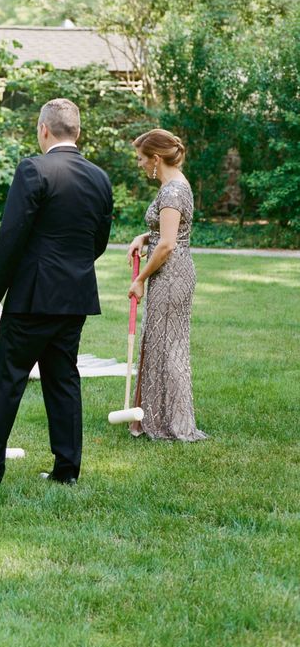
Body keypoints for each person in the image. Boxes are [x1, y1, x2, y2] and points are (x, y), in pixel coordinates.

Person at [0, 98, 113, 486]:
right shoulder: (99, 177)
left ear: (43, 129)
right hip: (74, 296)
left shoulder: (33, 169)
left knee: (8, 381)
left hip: (33, 297)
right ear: (77, 132)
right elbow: (99, 241)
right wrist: (72, 269)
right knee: (64, 381)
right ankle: (66, 471)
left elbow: (11, 236)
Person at [126, 129, 206, 442]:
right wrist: (144, 237)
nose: (140, 165)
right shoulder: (177, 185)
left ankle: (173, 423)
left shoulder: (172, 191)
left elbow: (168, 244)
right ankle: (155, 417)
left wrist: (140, 278)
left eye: (142, 159)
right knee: (159, 344)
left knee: (168, 347)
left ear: (156, 159)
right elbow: (167, 233)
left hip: (171, 275)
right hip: (172, 272)